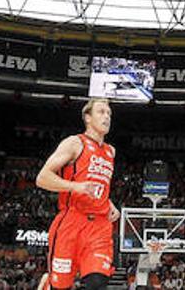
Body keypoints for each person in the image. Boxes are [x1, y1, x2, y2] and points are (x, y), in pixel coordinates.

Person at [35, 98, 119, 290]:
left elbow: (98, 182)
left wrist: (108, 201)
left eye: (109, 113)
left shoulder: (110, 151)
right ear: (87, 118)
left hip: (99, 225)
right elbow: (42, 178)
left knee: (97, 283)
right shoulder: (75, 143)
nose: (106, 117)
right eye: (101, 112)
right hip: (71, 221)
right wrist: (76, 187)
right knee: (60, 286)